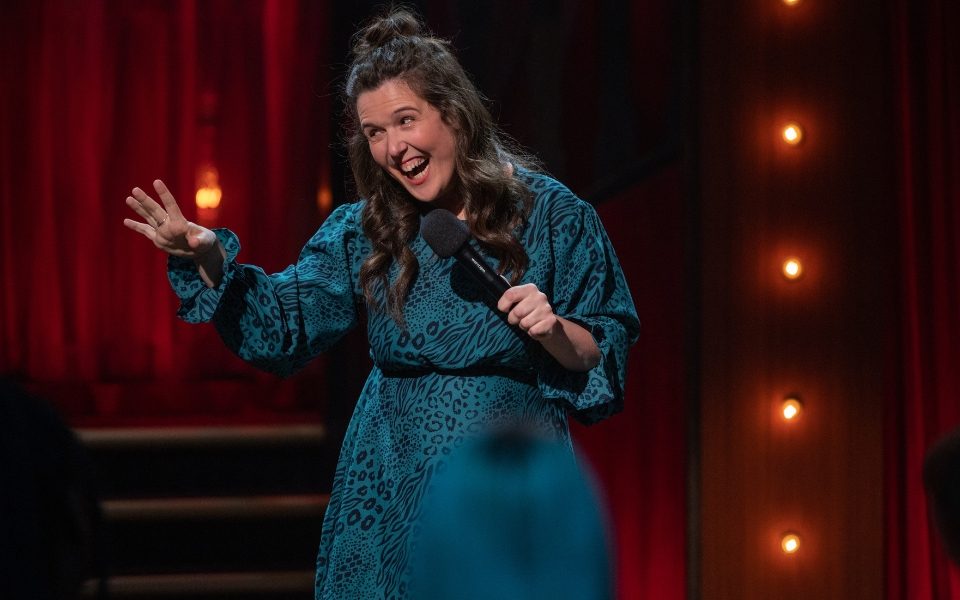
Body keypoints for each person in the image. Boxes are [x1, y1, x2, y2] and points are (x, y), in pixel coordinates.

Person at [123, 8, 639, 599]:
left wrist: (552, 330)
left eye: (405, 120)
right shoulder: (367, 229)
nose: (394, 147)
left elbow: (602, 354)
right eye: (374, 133)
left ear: (454, 114)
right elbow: (284, 325)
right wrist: (209, 259)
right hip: (386, 491)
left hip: (502, 486)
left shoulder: (553, 216)